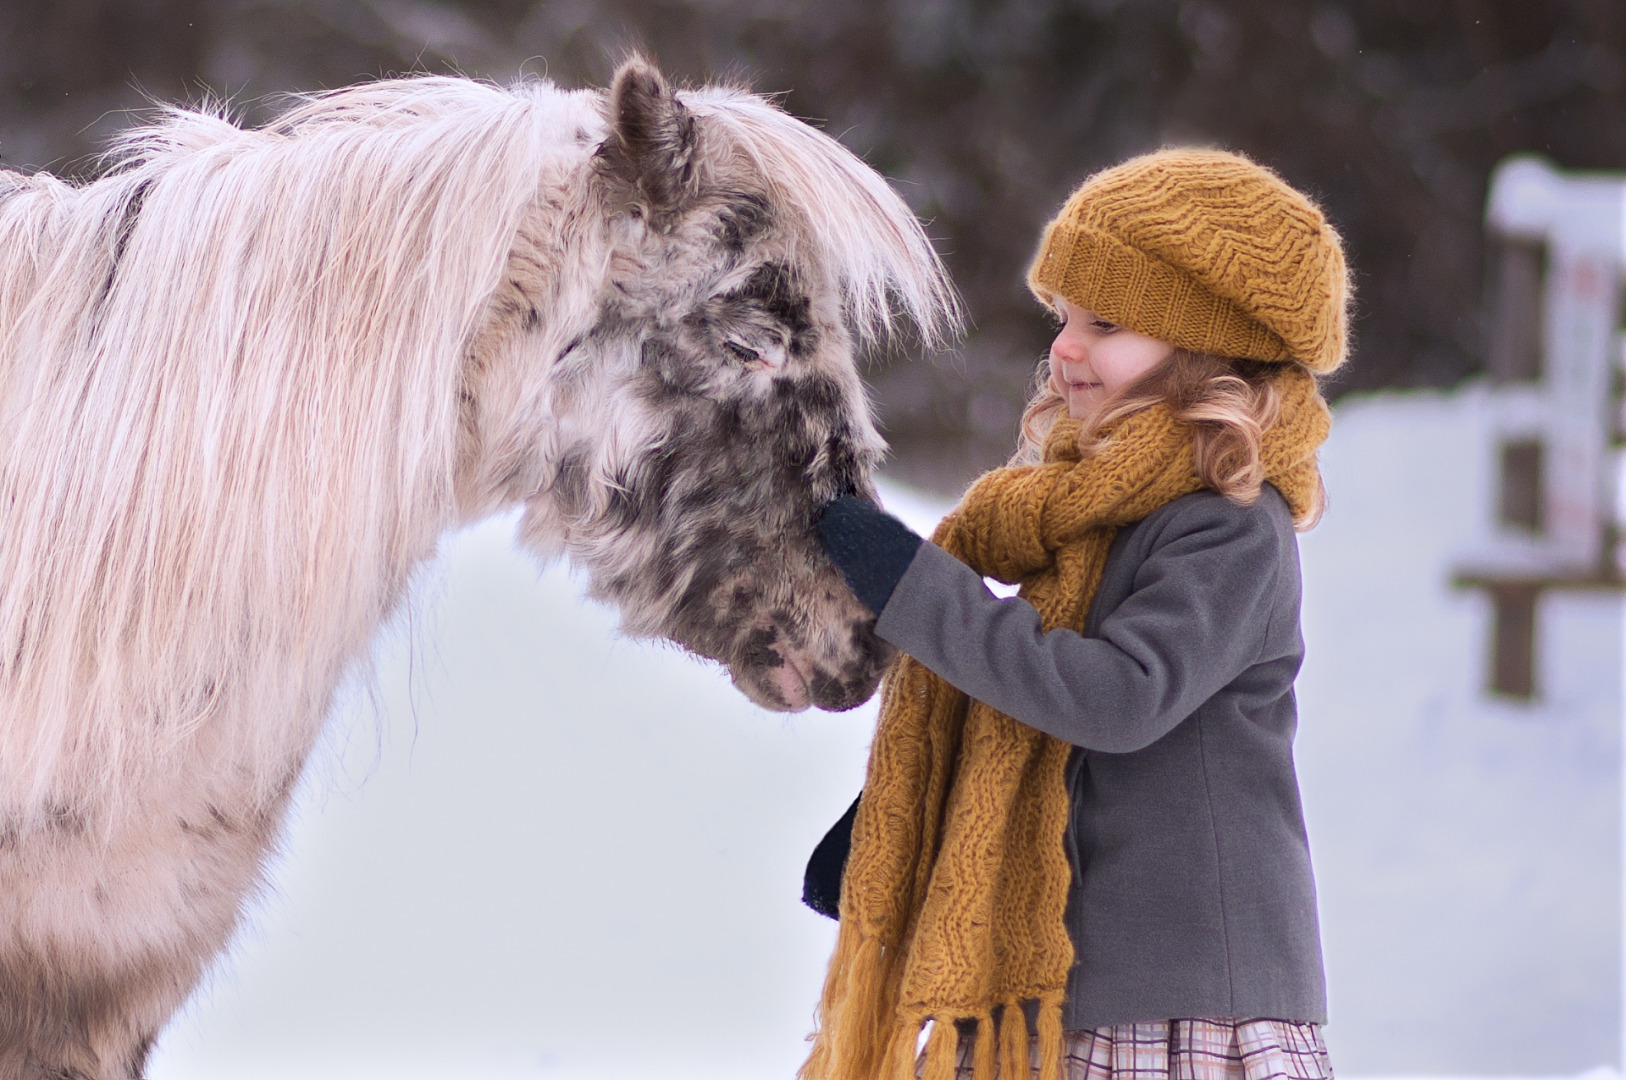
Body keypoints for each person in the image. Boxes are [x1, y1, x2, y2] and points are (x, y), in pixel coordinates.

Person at [800, 148, 1350, 1080]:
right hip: (1058, 988)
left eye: (1106, 322)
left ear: (1205, 343)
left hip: (1178, 995)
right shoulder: (1076, 510)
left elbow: (1111, 699)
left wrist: (918, 590)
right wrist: (910, 821)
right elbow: (1027, 722)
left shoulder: (1231, 527)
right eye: (1062, 317)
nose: (1066, 347)